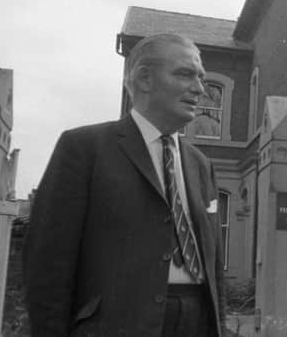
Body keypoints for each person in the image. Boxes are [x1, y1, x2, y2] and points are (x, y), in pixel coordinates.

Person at [23, 34, 226, 337]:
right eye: (185, 74)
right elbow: (47, 265)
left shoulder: (200, 164)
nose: (200, 89)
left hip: (196, 321)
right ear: (145, 79)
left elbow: (213, 263)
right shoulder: (84, 148)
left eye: (201, 78)